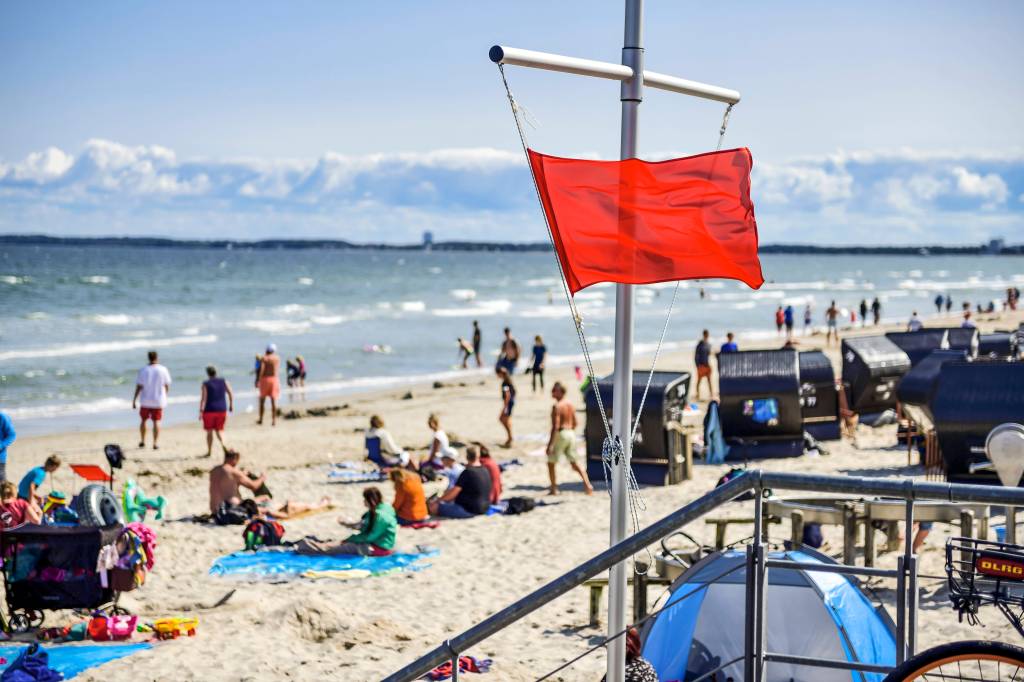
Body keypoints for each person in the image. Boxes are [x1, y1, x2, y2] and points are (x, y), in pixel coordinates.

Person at [295, 487, 396, 556]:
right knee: (336, 543)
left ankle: (304, 547)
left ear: (371, 500)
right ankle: (309, 544)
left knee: (333, 548)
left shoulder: (380, 516)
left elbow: (369, 536)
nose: (363, 502)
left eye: (365, 500)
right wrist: (348, 526)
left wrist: (350, 539)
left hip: (377, 548)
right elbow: (366, 527)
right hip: (380, 545)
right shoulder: (385, 508)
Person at [546, 382, 594, 495]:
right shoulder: (570, 404)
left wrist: (550, 444)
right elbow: (575, 423)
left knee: (551, 462)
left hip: (561, 433)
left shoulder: (557, 406)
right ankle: (588, 485)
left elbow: (555, 426)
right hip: (571, 434)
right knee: (574, 462)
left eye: (554, 390)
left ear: (560, 392)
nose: (552, 392)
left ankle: (553, 488)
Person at [428, 447, 492, 518]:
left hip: (468, 510)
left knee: (433, 507)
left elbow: (453, 493)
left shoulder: (467, 472)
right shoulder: (484, 470)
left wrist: (438, 501)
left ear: (467, 457)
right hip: (484, 508)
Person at [208, 449, 268, 517]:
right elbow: (254, 486)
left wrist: (242, 474)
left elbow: (228, 485)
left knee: (258, 500)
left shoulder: (213, 471)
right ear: (236, 458)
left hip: (215, 510)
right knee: (265, 498)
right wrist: (262, 478)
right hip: (232, 509)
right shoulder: (233, 471)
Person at [132, 351, 171, 450]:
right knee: (156, 421)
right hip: (158, 400)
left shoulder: (143, 370)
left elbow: (139, 386)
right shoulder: (163, 369)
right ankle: (155, 443)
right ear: (157, 357)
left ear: (148, 358)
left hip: (145, 400)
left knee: (143, 420)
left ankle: (143, 441)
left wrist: (134, 399)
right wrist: (165, 396)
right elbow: (166, 385)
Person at [199, 366, 234, 457]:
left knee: (209, 431)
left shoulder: (205, 383)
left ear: (208, 373)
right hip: (222, 409)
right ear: (216, 372)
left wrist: (200, 411)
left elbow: (203, 399)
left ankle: (209, 451)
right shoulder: (224, 381)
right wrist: (231, 405)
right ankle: (225, 446)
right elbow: (230, 393)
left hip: (209, 410)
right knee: (219, 430)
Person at [256, 343, 281, 426]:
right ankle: (274, 420)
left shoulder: (264, 358)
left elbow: (262, 369)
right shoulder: (277, 358)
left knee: (262, 401)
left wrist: (258, 380)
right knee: (273, 401)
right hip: (274, 379)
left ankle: (261, 419)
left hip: (265, 380)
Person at [497, 366, 516, 448]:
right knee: (506, 419)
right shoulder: (508, 381)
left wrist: (505, 407)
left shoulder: (505, 383)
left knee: (502, 419)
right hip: (510, 402)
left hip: (508, 403)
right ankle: (510, 437)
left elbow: (507, 395)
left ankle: (510, 437)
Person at [693, 330, 713, 400]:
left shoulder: (708, 344)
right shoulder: (700, 344)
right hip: (701, 365)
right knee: (699, 381)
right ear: (704, 335)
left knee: (709, 381)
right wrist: (697, 366)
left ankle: (711, 394)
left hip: (707, 364)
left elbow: (709, 354)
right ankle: (698, 394)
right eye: (706, 334)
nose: (707, 336)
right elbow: (696, 356)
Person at [0, 411, 14, 482]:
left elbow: (12, 435)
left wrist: (1, 445)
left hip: (0, 458)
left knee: (2, 485)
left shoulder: (2, 417)